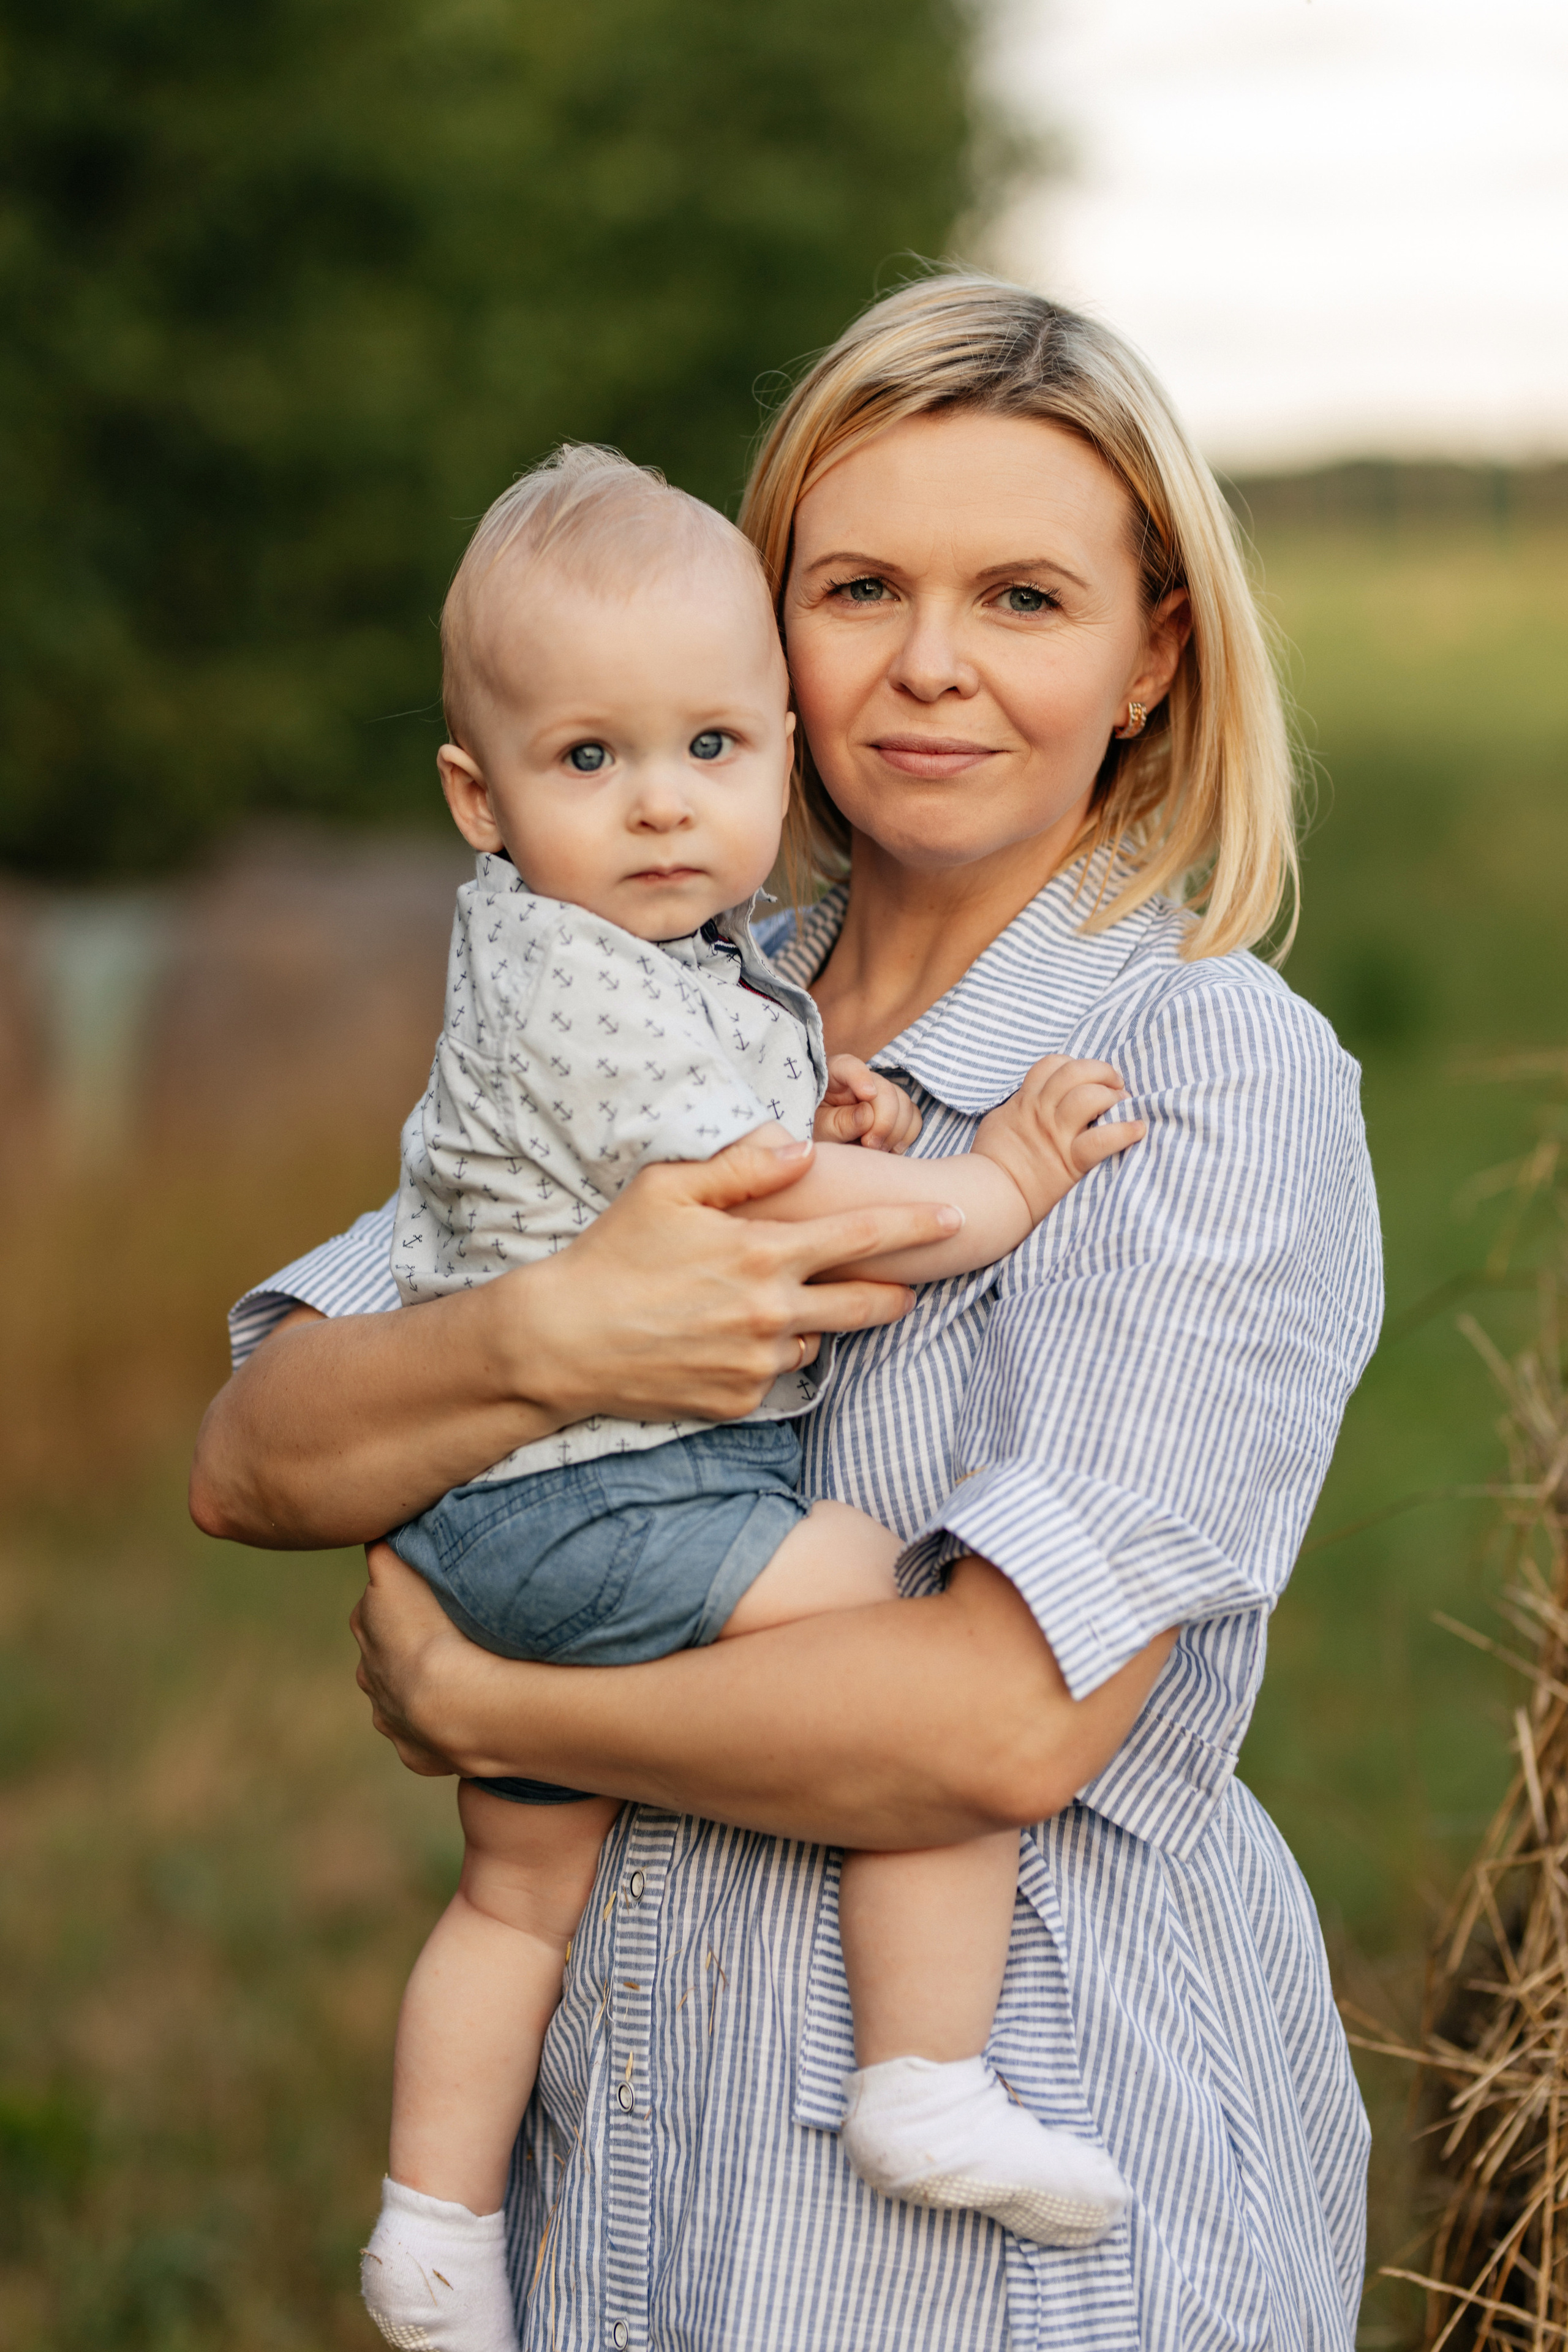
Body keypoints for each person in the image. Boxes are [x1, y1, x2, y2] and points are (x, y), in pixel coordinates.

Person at [192, 273, 1384, 2351]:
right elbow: (261, 1448)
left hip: (1007, 2255)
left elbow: (1003, 1717)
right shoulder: (644, 992)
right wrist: (548, 1340)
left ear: (1150, 657)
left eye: (1024, 598)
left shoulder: (1201, 1075)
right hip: (644, 2215)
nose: (931, 667)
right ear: (767, 633)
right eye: (857, 587)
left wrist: (506, 1715)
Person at [360, 442, 1142, 2350]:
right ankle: (920, 2076)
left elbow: (731, 1124)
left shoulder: (615, 961)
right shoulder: (595, 986)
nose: (659, 811)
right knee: (894, 1629)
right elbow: (798, 1231)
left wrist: (817, 1092)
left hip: (500, 1519)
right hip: (609, 1498)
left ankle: (433, 2230)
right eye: (590, 762)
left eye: (711, 750)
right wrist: (995, 1181)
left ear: (777, 750)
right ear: (479, 795)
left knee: (515, 1894)